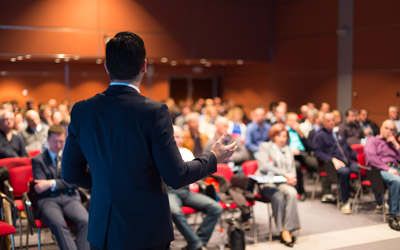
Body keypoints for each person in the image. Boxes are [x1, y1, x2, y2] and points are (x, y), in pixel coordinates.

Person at [61, 31, 236, 250]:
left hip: (102, 229)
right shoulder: (154, 112)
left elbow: (69, 173)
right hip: (145, 229)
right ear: (144, 66)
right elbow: (176, 175)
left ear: (107, 66)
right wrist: (213, 157)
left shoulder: (82, 110)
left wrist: (108, 183)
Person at [32, 125, 89, 250]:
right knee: (58, 224)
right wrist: (62, 183)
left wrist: (51, 183)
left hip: (69, 198)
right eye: (55, 141)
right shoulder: (38, 160)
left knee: (86, 222)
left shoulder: (70, 158)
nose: (58, 145)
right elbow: (39, 187)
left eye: (61, 142)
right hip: (48, 200)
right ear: (48, 140)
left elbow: (75, 183)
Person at [169, 126, 222, 250]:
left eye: (181, 136)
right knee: (175, 212)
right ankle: (197, 244)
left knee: (216, 208)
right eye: (176, 137)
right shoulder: (164, 154)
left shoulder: (186, 152)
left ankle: (196, 243)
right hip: (171, 191)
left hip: (186, 191)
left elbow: (195, 172)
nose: (180, 140)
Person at [256, 123, 300, 247]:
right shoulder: (265, 147)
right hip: (267, 183)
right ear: (273, 136)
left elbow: (292, 168)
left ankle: (287, 229)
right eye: (279, 136)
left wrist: (292, 177)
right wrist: (286, 174)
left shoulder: (287, 149)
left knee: (292, 193)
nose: (282, 139)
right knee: (278, 197)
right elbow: (264, 166)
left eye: (285, 136)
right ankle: (283, 231)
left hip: (283, 182)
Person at [312, 112, 359, 214]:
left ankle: (379, 202)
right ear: (323, 122)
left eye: (333, 120)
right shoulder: (319, 135)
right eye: (328, 121)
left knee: (366, 169)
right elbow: (317, 153)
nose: (331, 122)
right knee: (344, 172)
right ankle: (345, 202)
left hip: (348, 162)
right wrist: (332, 159)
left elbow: (349, 150)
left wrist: (359, 157)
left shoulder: (338, 134)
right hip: (331, 165)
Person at [365, 120, 400, 231]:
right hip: (379, 170)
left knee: (396, 178)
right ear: (381, 128)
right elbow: (372, 158)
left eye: (392, 129)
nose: (389, 131)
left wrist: (396, 144)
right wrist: (388, 168)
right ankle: (393, 215)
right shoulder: (373, 141)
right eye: (387, 128)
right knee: (396, 181)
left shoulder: (392, 143)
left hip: (394, 168)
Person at [285, 112, 318, 200]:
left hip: (302, 154)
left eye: (296, 120)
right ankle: (300, 191)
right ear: (286, 121)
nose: (293, 122)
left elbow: (308, 147)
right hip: (290, 156)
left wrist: (301, 134)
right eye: (291, 120)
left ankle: (326, 191)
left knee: (315, 163)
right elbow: (281, 146)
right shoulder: (284, 131)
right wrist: (290, 150)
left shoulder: (300, 131)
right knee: (297, 166)